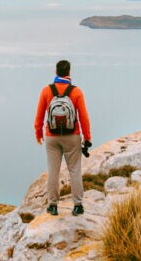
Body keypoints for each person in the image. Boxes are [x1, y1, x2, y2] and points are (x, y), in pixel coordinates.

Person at [34, 59, 92, 216]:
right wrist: (87, 138)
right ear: (69, 73)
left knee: (53, 170)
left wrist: (38, 133)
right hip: (72, 136)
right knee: (74, 170)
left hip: (52, 137)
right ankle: (78, 205)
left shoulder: (46, 91)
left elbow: (39, 116)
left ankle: (52, 205)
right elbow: (84, 118)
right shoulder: (76, 91)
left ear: (56, 72)